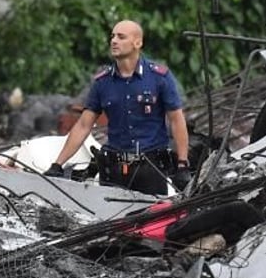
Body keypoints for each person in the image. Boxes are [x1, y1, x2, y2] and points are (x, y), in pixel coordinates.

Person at [45, 20, 192, 195]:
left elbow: (177, 120)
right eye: (112, 36)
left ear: (137, 43)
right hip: (113, 169)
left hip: (150, 168)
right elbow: (83, 125)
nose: (114, 41)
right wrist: (57, 164)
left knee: (151, 217)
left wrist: (182, 164)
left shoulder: (159, 77)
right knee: (112, 219)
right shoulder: (102, 82)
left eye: (121, 37)